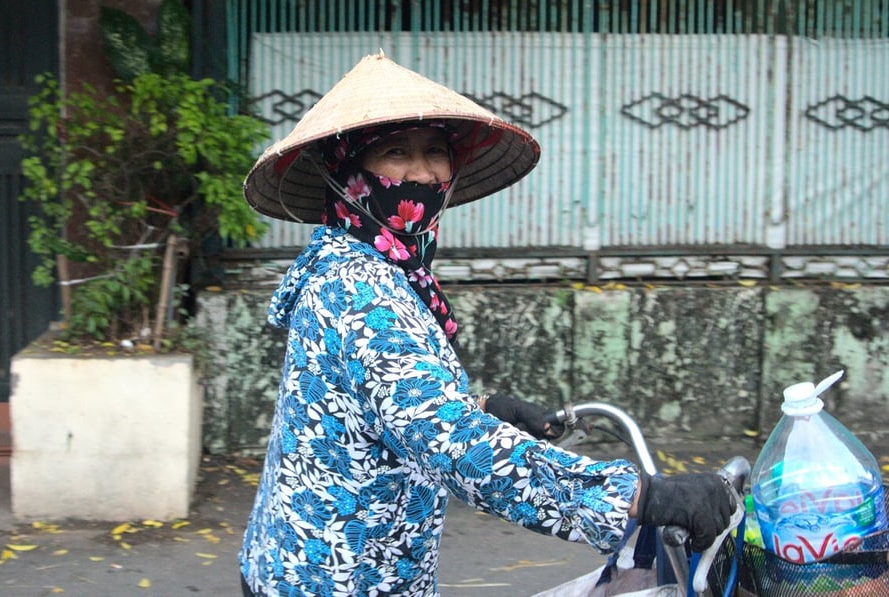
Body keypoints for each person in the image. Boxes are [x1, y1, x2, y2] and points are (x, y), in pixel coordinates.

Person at [239, 52, 734, 597]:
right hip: (336, 579)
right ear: (347, 172)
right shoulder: (360, 289)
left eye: (436, 152)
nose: (423, 173)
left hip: (300, 563)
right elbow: (454, 446)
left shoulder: (365, 262)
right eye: (395, 152)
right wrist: (642, 498)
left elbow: (385, 406)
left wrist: (487, 411)